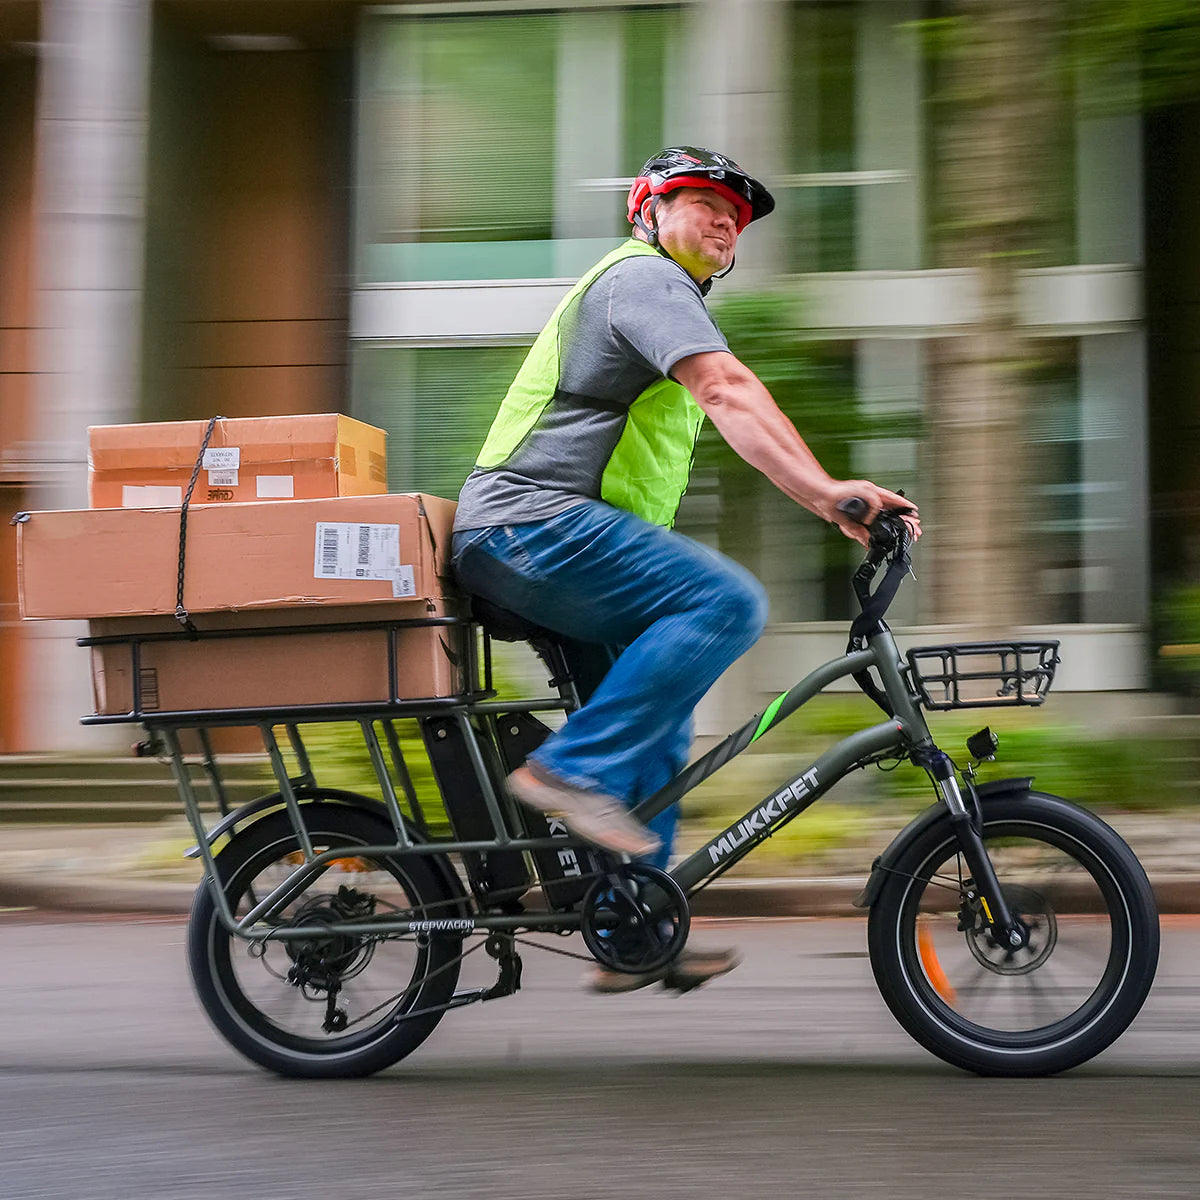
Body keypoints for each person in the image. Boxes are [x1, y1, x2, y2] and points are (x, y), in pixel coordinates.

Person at [452, 146, 919, 993]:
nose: (725, 220)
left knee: (661, 722)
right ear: (649, 212)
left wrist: (824, 496)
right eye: (703, 200)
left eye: (735, 216)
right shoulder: (641, 280)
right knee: (728, 601)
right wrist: (827, 494)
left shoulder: (664, 297)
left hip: (555, 539)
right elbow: (728, 391)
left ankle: (636, 926)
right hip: (530, 523)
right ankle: (569, 771)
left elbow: (729, 401)